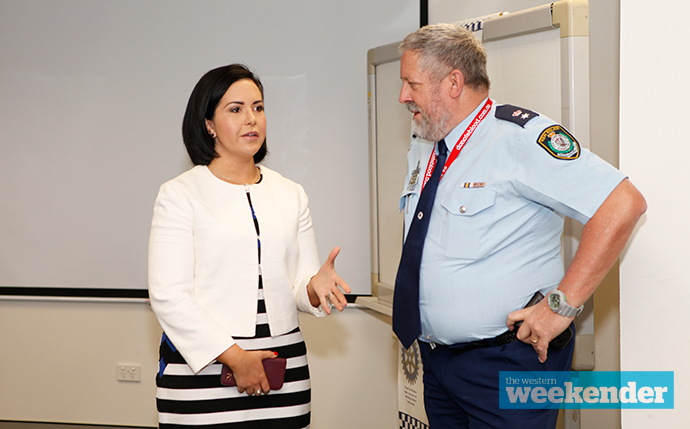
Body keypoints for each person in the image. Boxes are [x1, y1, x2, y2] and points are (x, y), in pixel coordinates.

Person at [391, 24, 647, 428]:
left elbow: (622, 204)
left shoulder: (519, 138)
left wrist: (561, 306)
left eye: (412, 83)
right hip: (437, 363)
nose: (403, 96)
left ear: (453, 82)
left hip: (507, 363)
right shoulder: (427, 145)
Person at [148, 64, 350, 428]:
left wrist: (315, 289)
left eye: (258, 107)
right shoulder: (179, 195)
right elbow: (167, 295)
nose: (251, 119)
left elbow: (298, 285)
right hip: (205, 369)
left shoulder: (291, 193)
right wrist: (236, 358)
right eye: (235, 109)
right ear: (208, 123)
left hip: (282, 368)